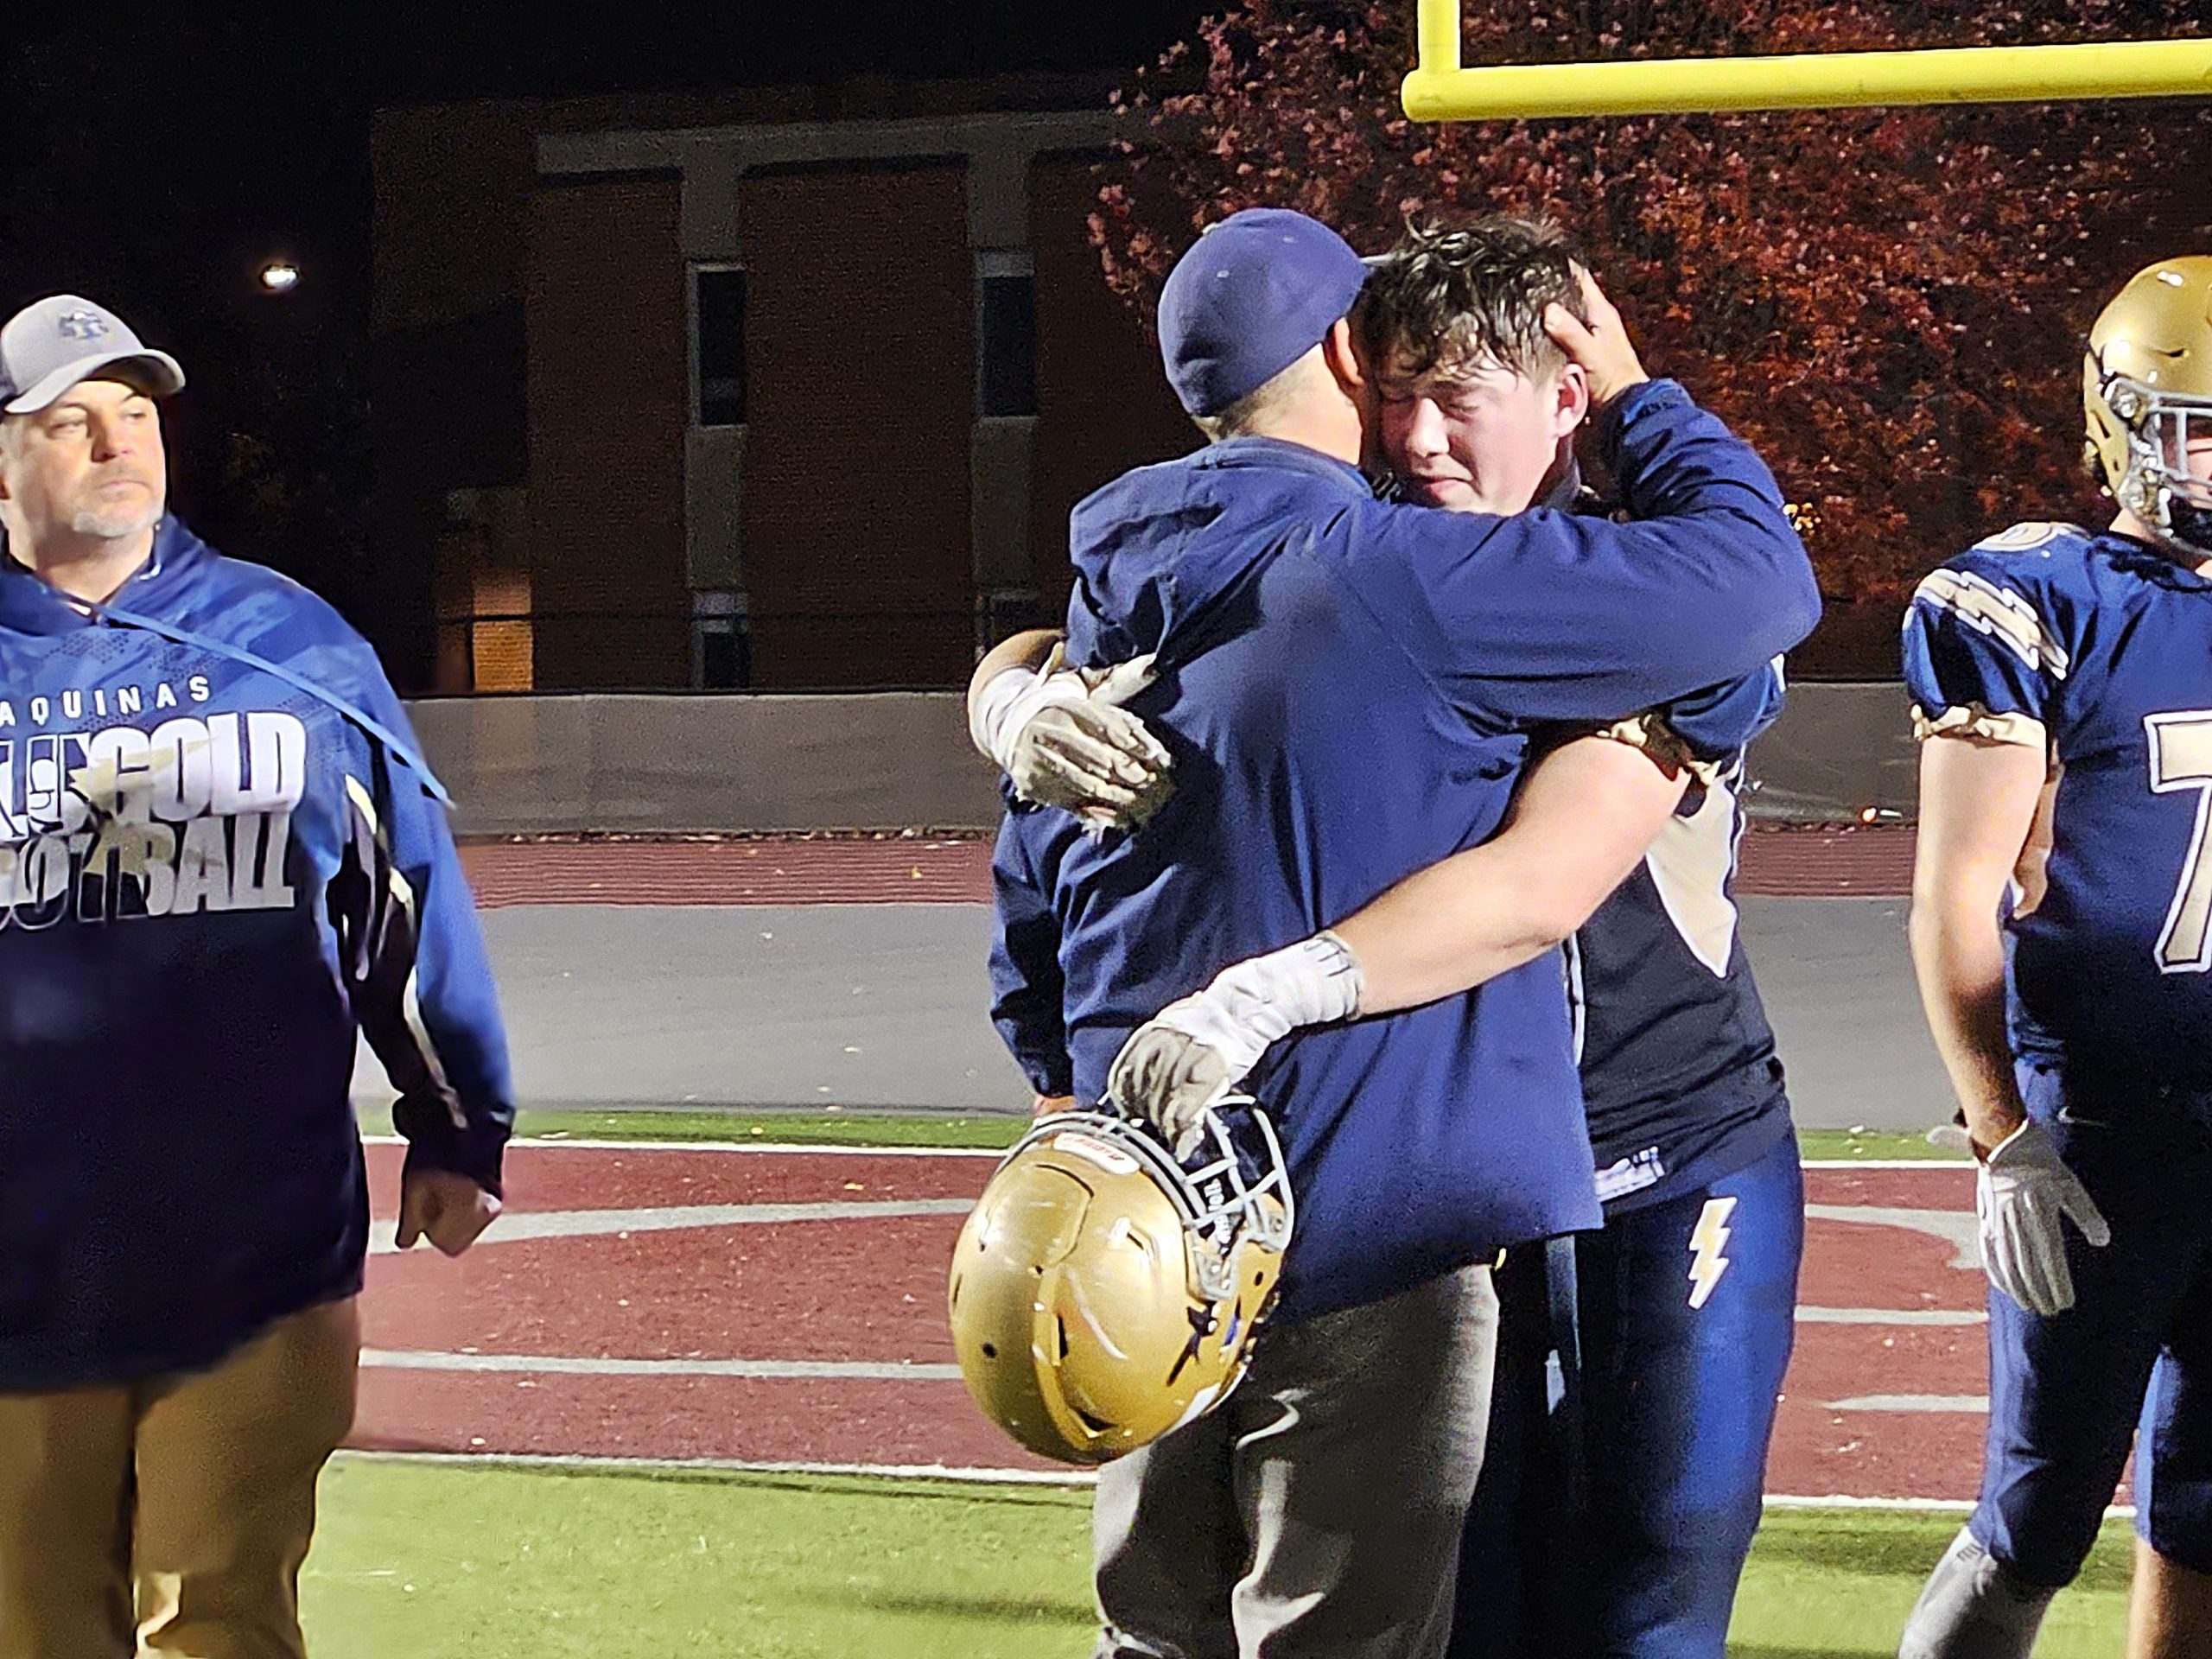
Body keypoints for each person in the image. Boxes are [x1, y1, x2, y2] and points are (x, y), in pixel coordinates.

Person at [979, 207, 1817, 1659]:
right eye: (1401, 388)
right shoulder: (1362, 565)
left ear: (1565, 394)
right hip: (1440, 1185)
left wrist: (1012, 694)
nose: (1423, 435)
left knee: (1645, 1599)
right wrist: (1006, 690)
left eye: (1461, 395)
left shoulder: (1614, 589)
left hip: (1652, 1142)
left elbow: (1540, 884)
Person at [0, 295, 513, 1659]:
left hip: (252, 1244)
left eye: (139, 415)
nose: (118, 445)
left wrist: (459, 1120)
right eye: (71, 422)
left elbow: (403, 891)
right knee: (35, 1624)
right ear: (2, 465)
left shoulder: (290, 647)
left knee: (225, 1623)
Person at [1895, 254, 2212, 1659]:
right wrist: (2001, 1131)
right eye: (2200, 422)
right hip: (2105, 1130)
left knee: (2206, 1505)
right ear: (2123, 422)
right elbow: (1957, 894)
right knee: (2035, 1522)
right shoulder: (2037, 596)